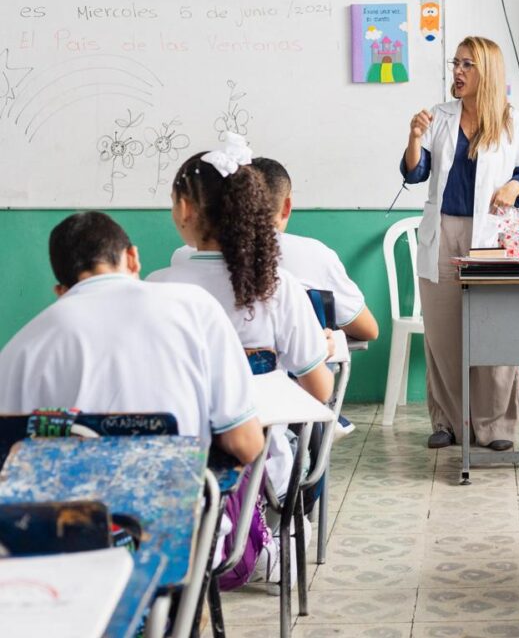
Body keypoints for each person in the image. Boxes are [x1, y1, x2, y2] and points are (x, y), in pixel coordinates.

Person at [148, 135, 333, 494]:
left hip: (176, 472)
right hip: (263, 475)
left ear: (185, 210)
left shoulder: (156, 288)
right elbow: (320, 390)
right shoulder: (278, 287)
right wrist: (320, 350)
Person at [0, 211, 263, 464]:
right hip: (179, 505)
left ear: (60, 291)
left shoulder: (21, 349)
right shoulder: (196, 308)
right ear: (133, 258)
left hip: (68, 508)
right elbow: (245, 444)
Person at [401, 35, 519, 451]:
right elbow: (415, 172)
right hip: (442, 234)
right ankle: (447, 423)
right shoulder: (438, 117)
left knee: (494, 331)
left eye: (467, 65)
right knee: (443, 335)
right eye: (455, 63)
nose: (457, 72)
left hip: (490, 236)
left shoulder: (511, 120)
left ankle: (494, 426)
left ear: (487, 72)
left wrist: (514, 186)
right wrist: (413, 138)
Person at [171, 157, 379, 342]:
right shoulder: (314, 256)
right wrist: (317, 341)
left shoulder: (183, 259)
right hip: (294, 381)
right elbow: (368, 330)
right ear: (286, 207)